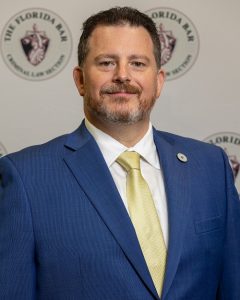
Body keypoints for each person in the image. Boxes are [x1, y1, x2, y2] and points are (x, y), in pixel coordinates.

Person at [0, 6, 240, 300]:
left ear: (159, 81)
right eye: (106, 63)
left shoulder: (210, 167)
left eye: (138, 63)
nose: (123, 75)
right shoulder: (25, 178)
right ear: (80, 80)